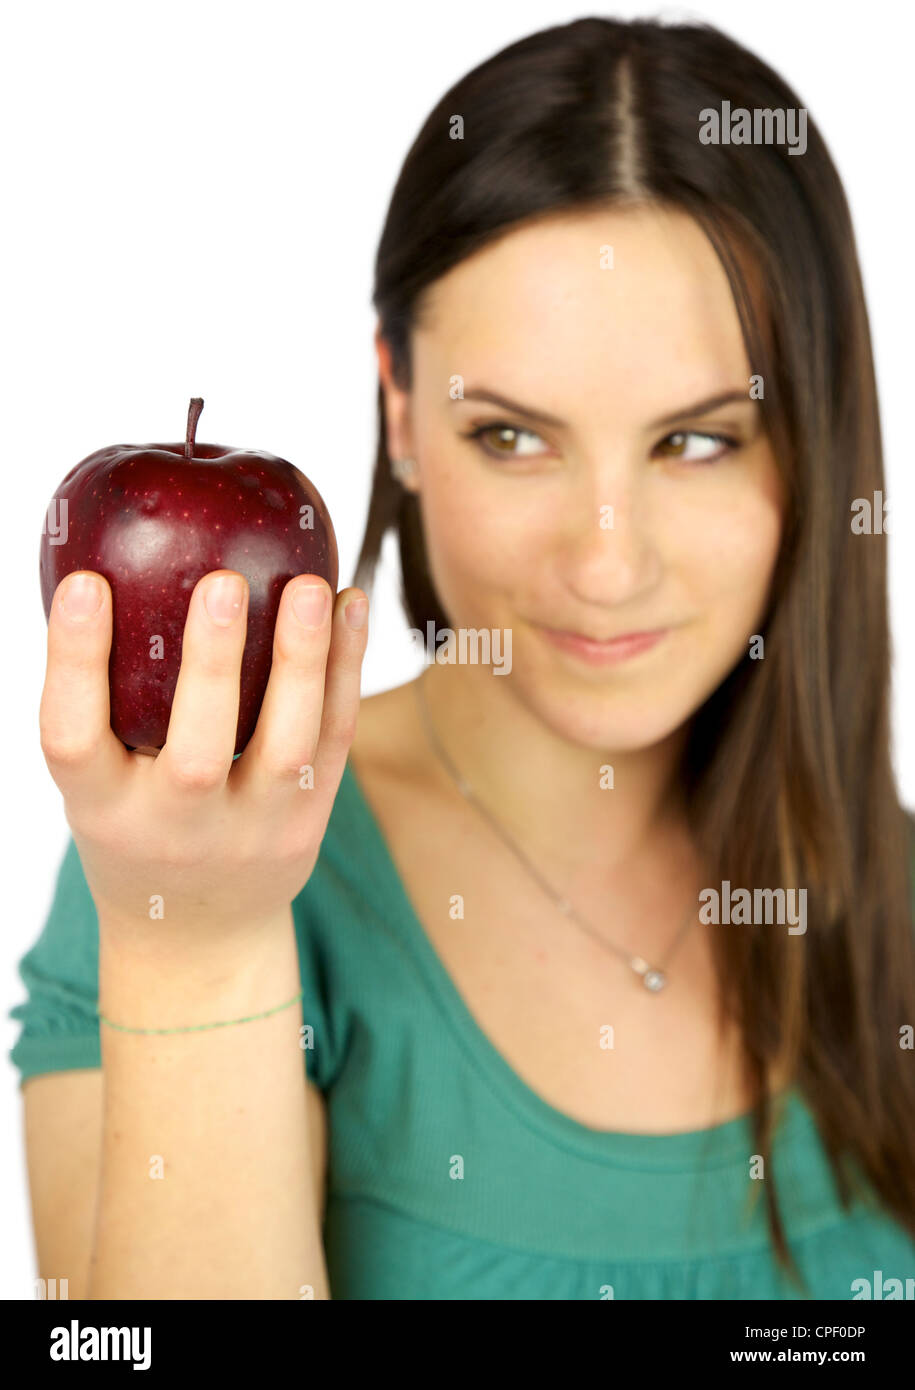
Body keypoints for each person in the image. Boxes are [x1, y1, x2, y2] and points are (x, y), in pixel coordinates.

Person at [10, 15, 915, 1301]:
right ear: (400, 410)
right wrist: (199, 946)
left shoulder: (897, 900)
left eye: (697, 442)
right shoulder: (189, 879)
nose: (606, 564)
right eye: (512, 436)